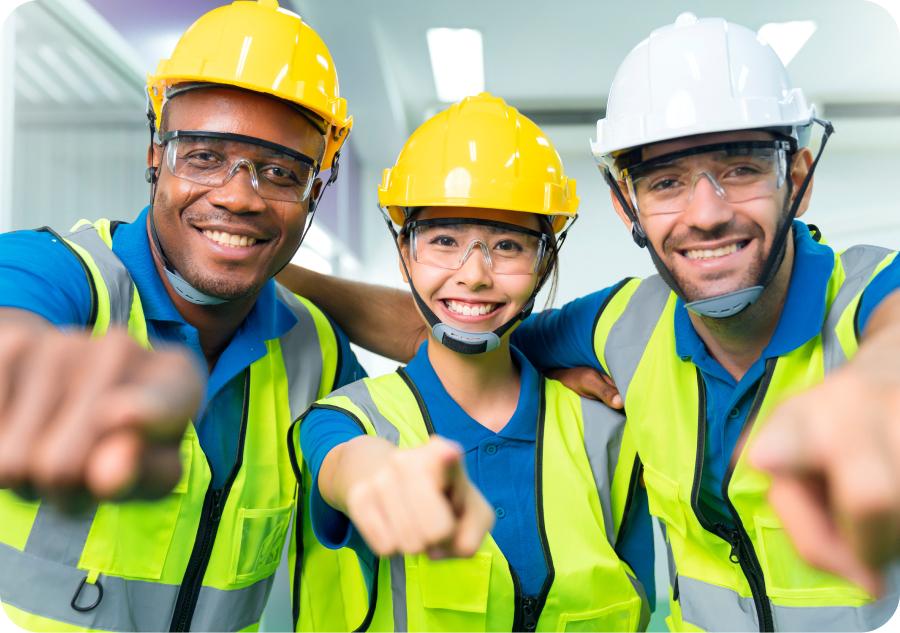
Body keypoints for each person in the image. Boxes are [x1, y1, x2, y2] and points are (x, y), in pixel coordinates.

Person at [280, 14, 900, 633]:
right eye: (667, 181)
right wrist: (271, 268)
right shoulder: (626, 326)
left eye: (740, 169)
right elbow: (454, 336)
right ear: (626, 204)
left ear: (797, 178)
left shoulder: (863, 295)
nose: (707, 212)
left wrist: (875, 385)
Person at [0, 1, 366, 630]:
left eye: (280, 172)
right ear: (155, 155)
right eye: (203, 157)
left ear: (316, 193)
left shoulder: (318, 353)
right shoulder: (63, 277)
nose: (237, 195)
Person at [292, 92, 654, 632]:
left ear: (544, 260)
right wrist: (375, 474)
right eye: (443, 240)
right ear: (404, 254)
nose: (474, 274)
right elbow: (346, 466)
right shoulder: (346, 420)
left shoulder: (606, 432)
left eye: (508, 246)